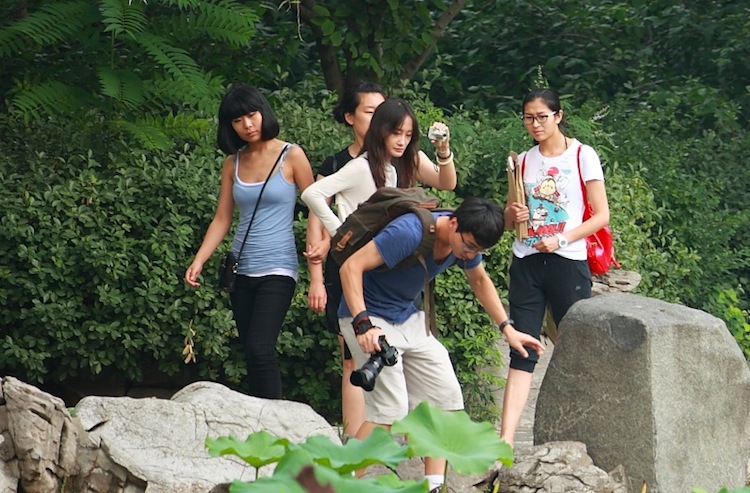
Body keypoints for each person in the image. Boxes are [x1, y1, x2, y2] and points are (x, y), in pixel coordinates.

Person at [337, 197, 545, 492]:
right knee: (389, 411)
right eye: (469, 246)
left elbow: (480, 280)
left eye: (477, 250)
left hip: (408, 318)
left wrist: (507, 329)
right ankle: (337, 482)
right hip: (369, 317)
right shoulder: (409, 231)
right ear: (454, 223)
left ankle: (433, 486)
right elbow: (350, 267)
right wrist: (362, 323)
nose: (469, 253)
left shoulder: (465, 243)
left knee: (445, 402)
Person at [302, 93, 457, 439]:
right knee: (360, 362)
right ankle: (354, 442)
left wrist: (443, 150)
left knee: (384, 368)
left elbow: (447, 183)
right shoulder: (361, 166)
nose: (401, 141)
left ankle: (367, 446)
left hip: (394, 270)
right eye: (395, 133)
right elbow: (313, 193)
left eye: (407, 134)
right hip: (361, 268)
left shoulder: (409, 161)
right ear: (380, 132)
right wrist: (340, 232)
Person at [184, 84, 315, 399]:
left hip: (279, 266)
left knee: (260, 346)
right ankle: (259, 419)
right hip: (240, 267)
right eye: (238, 120)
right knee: (250, 350)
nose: (247, 125)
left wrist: (317, 258)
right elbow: (222, 218)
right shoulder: (233, 162)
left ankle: (274, 421)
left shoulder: (291, 155)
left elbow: (316, 205)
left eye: (252, 115)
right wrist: (199, 260)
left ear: (263, 113)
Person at [501, 88, 611, 446]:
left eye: (542, 117)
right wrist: (512, 214)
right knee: (523, 347)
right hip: (527, 259)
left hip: (567, 261)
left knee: (576, 345)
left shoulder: (582, 155)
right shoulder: (523, 161)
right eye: (529, 118)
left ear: (558, 116)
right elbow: (508, 217)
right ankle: (504, 441)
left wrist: (562, 239)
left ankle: (587, 430)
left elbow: (602, 215)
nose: (535, 124)